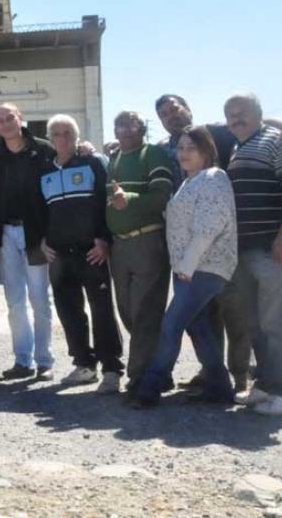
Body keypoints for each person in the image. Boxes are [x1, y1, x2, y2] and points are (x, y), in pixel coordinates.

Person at [154, 93, 282, 393]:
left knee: (244, 317)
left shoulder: (219, 132)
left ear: (189, 108)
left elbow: (255, 123)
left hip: (231, 246)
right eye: (164, 114)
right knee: (209, 320)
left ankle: (243, 378)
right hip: (210, 250)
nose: (171, 115)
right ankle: (216, 376)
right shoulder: (166, 149)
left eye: (175, 109)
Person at [130, 126, 237, 408]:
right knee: (198, 329)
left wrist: (188, 266)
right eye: (181, 148)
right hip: (187, 269)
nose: (185, 153)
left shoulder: (214, 178)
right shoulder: (189, 182)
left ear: (207, 151)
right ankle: (221, 388)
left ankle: (150, 388)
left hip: (204, 268)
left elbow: (208, 227)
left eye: (192, 147)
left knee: (171, 324)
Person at [224, 93, 282, 417]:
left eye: (242, 112)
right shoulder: (237, 147)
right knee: (254, 323)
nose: (235, 119)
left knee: (276, 323)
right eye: (230, 114)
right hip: (245, 252)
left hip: (276, 250)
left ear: (260, 114)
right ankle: (265, 386)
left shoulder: (278, 140)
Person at [39, 115, 124, 393]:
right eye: (57, 133)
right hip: (59, 255)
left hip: (91, 251)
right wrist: (41, 241)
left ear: (76, 137)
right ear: (50, 138)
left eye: (67, 133)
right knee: (69, 311)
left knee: (101, 310)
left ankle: (111, 368)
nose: (62, 138)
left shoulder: (92, 162)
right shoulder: (44, 170)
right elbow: (37, 210)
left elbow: (105, 201)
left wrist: (104, 240)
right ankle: (84, 365)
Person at [0, 103, 55, 381]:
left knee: (39, 298)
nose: (4, 124)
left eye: (9, 117)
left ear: (20, 119)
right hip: (5, 234)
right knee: (14, 301)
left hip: (36, 233)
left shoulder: (44, 150)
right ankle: (22, 360)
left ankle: (44, 360)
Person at [107, 110, 174, 396]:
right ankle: (159, 369)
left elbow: (161, 196)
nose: (125, 129)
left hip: (147, 241)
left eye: (131, 124)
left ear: (142, 128)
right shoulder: (114, 159)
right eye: (120, 124)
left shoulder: (154, 155)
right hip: (118, 246)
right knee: (127, 311)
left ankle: (139, 379)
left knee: (145, 311)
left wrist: (131, 199)